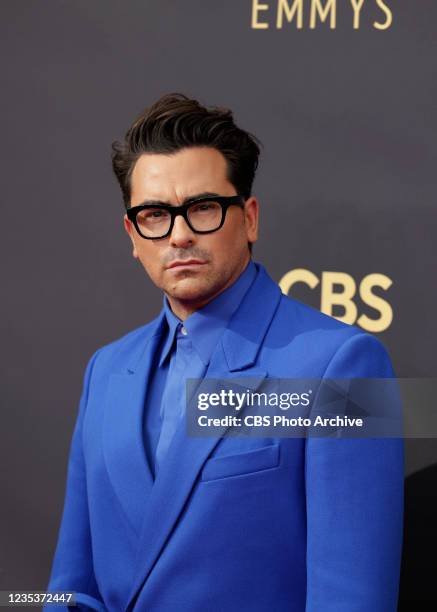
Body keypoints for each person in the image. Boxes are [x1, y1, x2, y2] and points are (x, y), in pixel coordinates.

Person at [45, 93, 404, 611]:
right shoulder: (105, 370)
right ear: (132, 233)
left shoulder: (349, 365)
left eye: (204, 208)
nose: (180, 234)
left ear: (250, 218)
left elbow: (352, 600)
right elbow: (70, 589)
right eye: (154, 215)